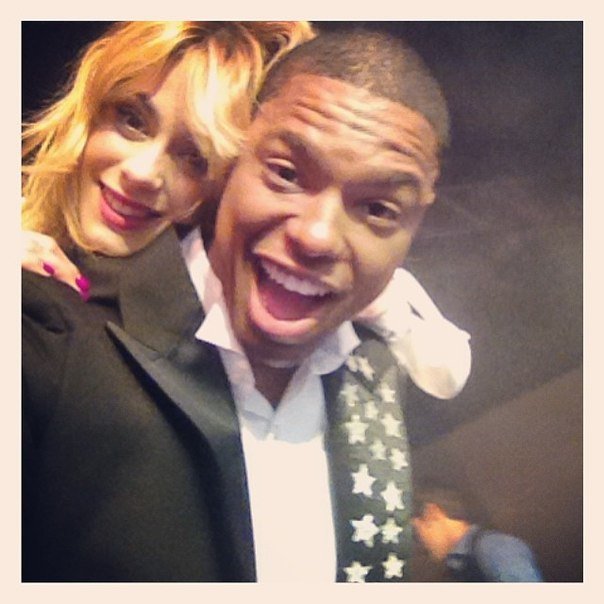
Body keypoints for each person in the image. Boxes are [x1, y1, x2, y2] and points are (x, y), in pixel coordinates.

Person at [22, 25, 466, 581]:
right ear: (235, 169)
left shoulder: (374, 377)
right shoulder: (50, 328)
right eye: (286, 173)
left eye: (377, 209)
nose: (318, 236)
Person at [412, 485, 544, 582]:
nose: (420, 544)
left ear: (432, 513)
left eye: (417, 533)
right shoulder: (459, 565)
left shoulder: (494, 547)